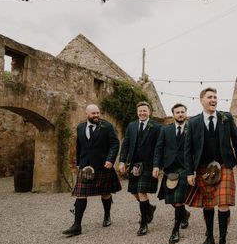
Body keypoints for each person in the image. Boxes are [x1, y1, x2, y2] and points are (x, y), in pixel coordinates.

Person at [184, 87, 237, 244]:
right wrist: (190, 171)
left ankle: (222, 242)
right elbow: (187, 150)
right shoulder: (194, 122)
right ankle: (209, 235)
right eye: (210, 97)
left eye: (215, 97)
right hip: (203, 168)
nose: (213, 100)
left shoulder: (226, 117)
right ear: (201, 100)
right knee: (208, 204)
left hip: (224, 165)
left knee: (223, 202)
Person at [62, 104, 121, 237]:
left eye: (98, 113)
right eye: (93, 113)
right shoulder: (81, 127)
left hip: (102, 165)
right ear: (87, 114)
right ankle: (77, 225)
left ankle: (107, 216)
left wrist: (110, 160)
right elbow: (79, 146)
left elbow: (114, 143)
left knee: (105, 193)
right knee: (81, 194)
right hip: (85, 166)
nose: (96, 115)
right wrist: (78, 163)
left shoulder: (107, 127)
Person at [119, 101, 162, 236]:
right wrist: (121, 161)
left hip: (148, 164)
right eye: (140, 111)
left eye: (144, 111)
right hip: (134, 164)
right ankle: (149, 208)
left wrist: (157, 165)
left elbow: (158, 148)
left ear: (149, 112)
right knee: (134, 191)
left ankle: (144, 223)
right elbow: (125, 144)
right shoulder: (131, 126)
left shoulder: (156, 127)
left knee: (142, 192)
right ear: (137, 112)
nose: (142, 113)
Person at [153, 103, 191, 244]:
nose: (180, 114)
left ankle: (175, 231)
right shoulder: (165, 130)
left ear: (185, 113)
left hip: (185, 168)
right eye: (177, 112)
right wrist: (156, 165)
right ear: (173, 114)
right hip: (169, 168)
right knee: (170, 200)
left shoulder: (192, 129)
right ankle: (184, 214)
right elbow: (159, 148)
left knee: (178, 200)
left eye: (182, 112)